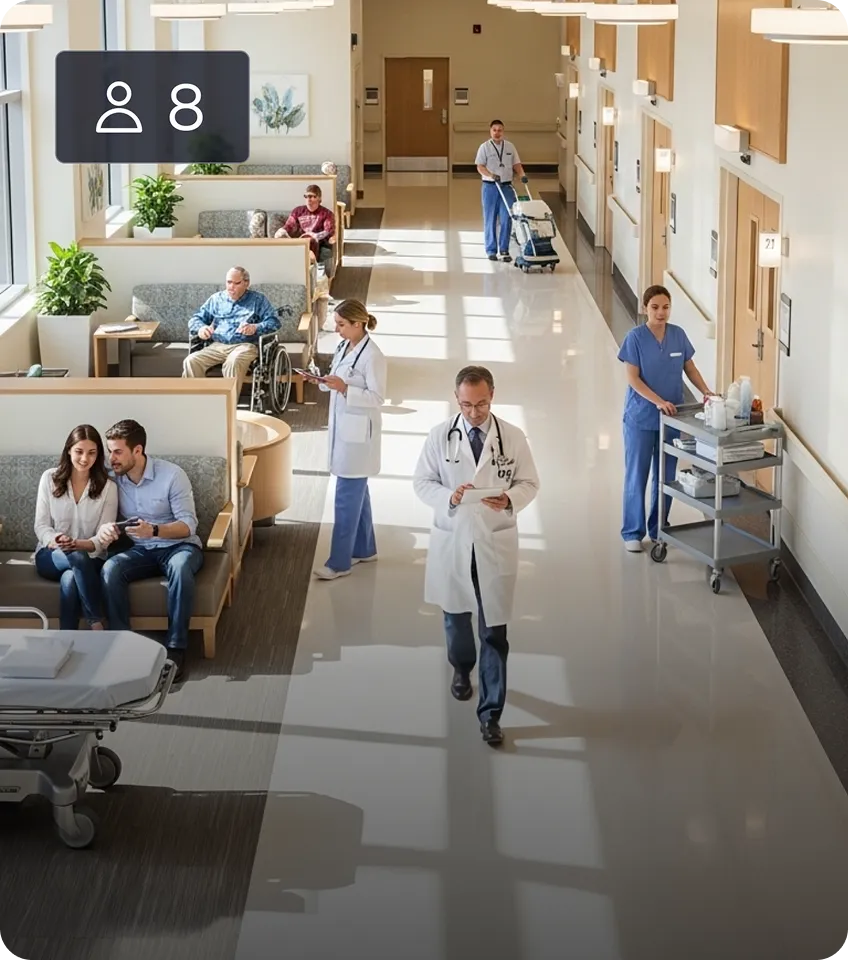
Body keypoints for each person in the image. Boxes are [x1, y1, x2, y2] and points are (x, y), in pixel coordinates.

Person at [413, 366, 540, 746]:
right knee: (455, 618)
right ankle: (460, 667)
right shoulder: (439, 436)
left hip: (492, 540)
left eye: (481, 404)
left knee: (494, 630)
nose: (473, 413)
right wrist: (448, 497)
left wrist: (509, 499)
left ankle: (490, 714)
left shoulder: (512, 437)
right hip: (454, 539)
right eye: (466, 405)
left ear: (493, 396)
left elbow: (530, 482)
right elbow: (422, 482)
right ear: (456, 399)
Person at [97, 419, 204, 681]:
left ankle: (176, 649)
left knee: (179, 569)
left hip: (178, 547)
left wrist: (154, 531)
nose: (112, 458)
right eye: (110, 451)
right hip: (140, 550)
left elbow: (188, 525)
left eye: (118, 451)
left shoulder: (172, 475)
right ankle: (122, 643)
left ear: (138, 450)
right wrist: (109, 530)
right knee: (111, 568)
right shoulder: (113, 479)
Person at [618, 284, 714, 552]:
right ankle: (632, 532)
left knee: (666, 475)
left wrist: (706, 391)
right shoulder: (635, 338)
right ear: (645, 308)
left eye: (666, 307)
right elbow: (633, 378)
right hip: (640, 418)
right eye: (655, 307)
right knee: (637, 475)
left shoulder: (678, 336)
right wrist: (658, 401)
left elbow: (690, 368)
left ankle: (659, 526)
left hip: (671, 419)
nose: (661, 313)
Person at [301, 299, 387, 580]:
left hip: (359, 436)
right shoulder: (345, 346)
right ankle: (364, 548)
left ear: (358, 324)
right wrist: (326, 382)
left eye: (341, 324)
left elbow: (376, 398)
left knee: (346, 498)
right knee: (357, 494)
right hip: (345, 428)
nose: (336, 330)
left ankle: (339, 563)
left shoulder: (372, 356)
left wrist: (344, 388)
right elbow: (340, 381)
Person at [34, 424, 118, 630]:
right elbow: (41, 525)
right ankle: (96, 622)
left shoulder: (109, 487)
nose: (84, 459)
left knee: (70, 579)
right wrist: (57, 541)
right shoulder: (49, 479)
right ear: (69, 450)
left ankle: (66, 640)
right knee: (75, 555)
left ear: (98, 455)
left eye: (91, 453)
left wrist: (81, 544)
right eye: (79, 451)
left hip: (91, 559)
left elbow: (103, 537)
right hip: (51, 556)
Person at [182, 266, 280, 395]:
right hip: (218, 345)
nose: (231, 287)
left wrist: (255, 327)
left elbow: (274, 322)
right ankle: (197, 401)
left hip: (245, 345)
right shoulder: (216, 299)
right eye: (229, 282)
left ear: (246, 283)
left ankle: (228, 406)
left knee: (233, 362)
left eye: (236, 283)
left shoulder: (258, 300)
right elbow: (195, 319)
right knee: (191, 361)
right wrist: (201, 328)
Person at [475, 120, 527, 263]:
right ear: (490, 131)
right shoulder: (484, 147)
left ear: (503, 132)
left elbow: (516, 164)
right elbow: (479, 166)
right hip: (490, 187)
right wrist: (491, 175)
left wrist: (522, 175)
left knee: (507, 217)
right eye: (494, 130)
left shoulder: (510, 147)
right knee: (490, 218)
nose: (497, 133)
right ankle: (491, 250)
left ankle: (504, 249)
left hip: (506, 187)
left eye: (500, 130)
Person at [274, 184, 337, 275]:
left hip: (317, 242)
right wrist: (282, 231)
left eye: (312, 197)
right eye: (306, 196)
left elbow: (328, 231)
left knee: (310, 240)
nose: (308, 199)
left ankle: (308, 268)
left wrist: (314, 236)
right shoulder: (298, 211)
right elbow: (289, 225)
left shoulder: (326, 213)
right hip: (299, 241)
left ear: (319, 198)